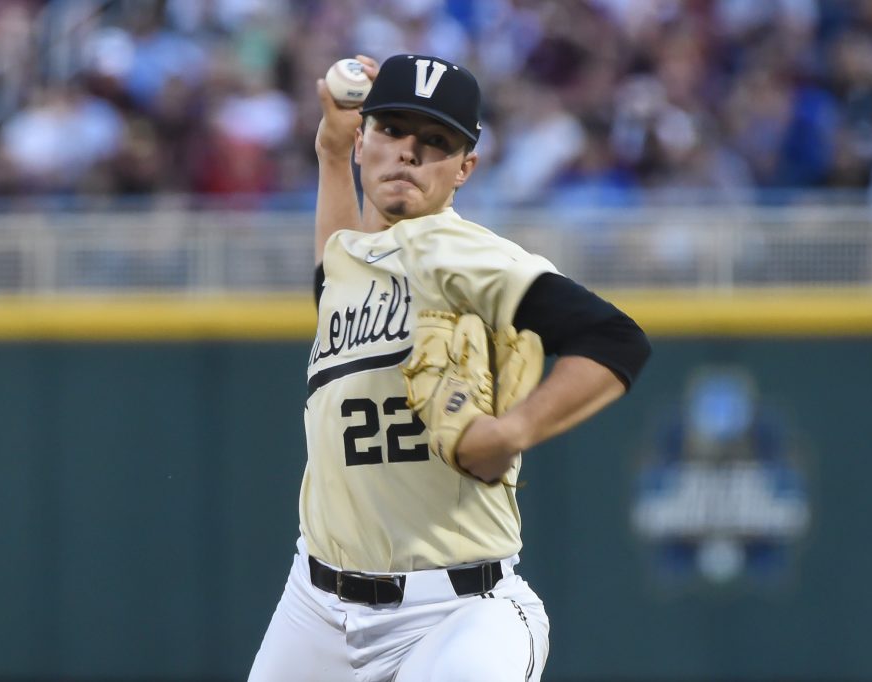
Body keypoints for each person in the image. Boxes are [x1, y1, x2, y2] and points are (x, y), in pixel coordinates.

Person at [249, 53, 651, 682]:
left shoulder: (460, 252)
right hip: (316, 605)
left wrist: (513, 431)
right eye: (391, 131)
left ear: (466, 167)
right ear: (365, 141)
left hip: (457, 611)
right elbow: (333, 275)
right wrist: (330, 152)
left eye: (434, 142)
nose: (406, 152)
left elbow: (615, 339)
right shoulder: (352, 255)